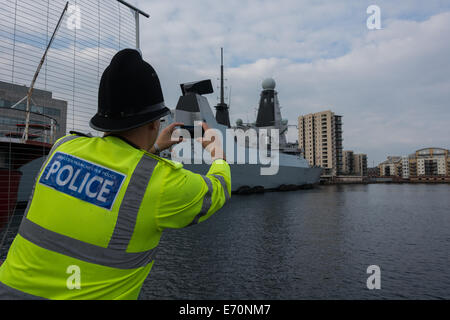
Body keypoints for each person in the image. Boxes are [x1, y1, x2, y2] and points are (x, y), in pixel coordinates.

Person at [0, 49, 231, 300]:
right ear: (155, 124)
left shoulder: (62, 148)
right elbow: (217, 190)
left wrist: (152, 148)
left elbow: (119, 168)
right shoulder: (162, 181)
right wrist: (217, 153)